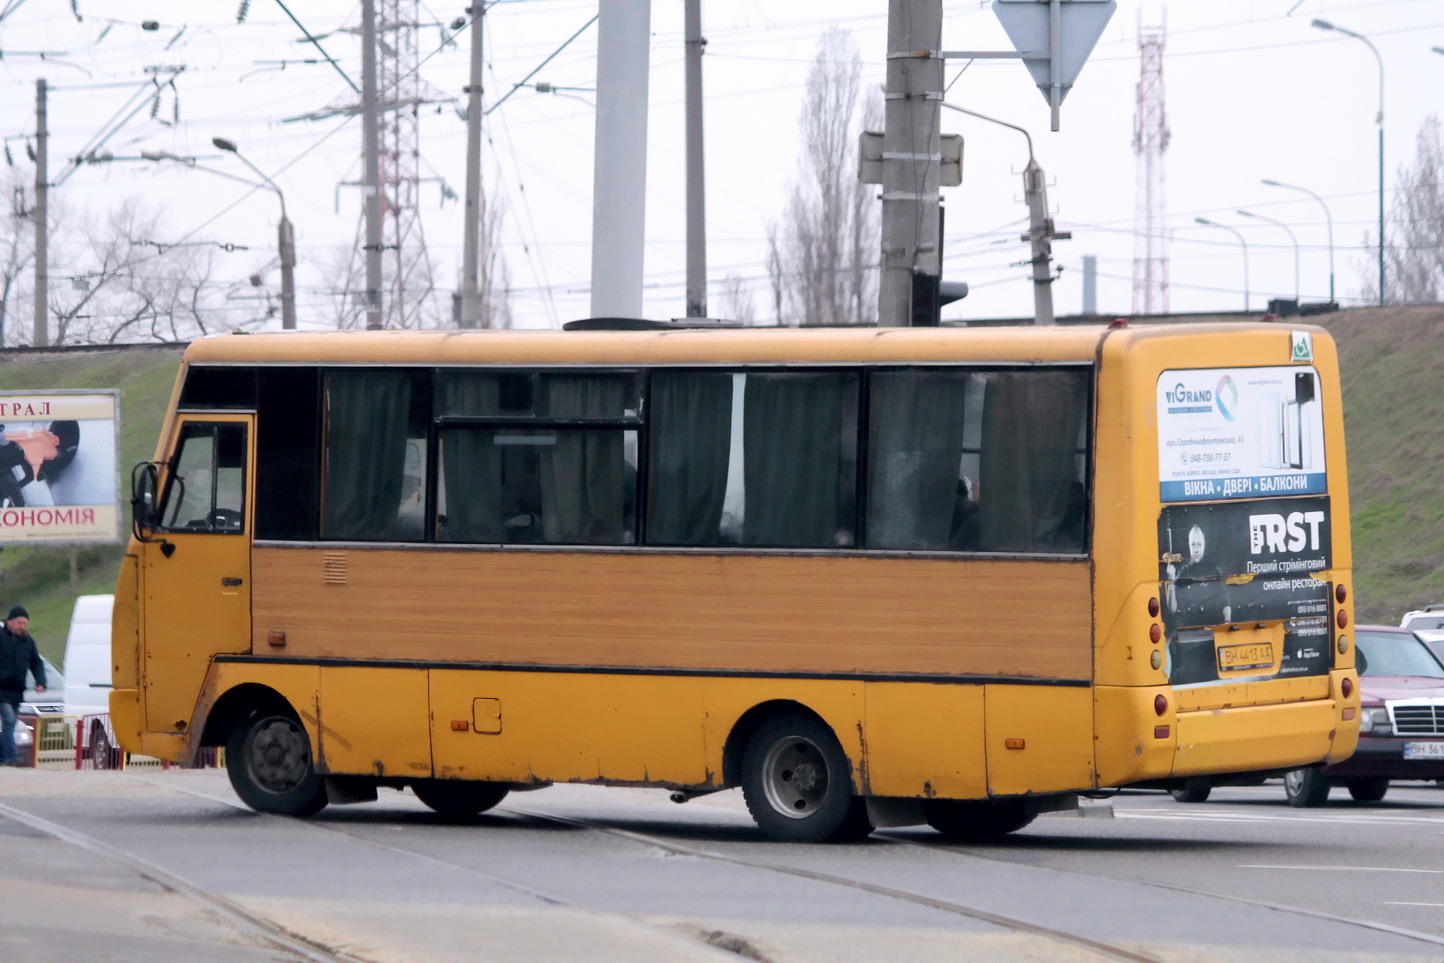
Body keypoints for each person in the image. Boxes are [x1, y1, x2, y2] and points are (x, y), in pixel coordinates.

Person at [1, 604, 46, 767]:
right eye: (19, 623)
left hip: (16, 690)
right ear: (10, 622)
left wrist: (41, 681)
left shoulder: (28, 642)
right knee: (9, 719)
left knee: (10, 724)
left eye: (25, 623)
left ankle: (3, 755)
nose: (22, 627)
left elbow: (36, 663)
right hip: (1, 689)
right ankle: (12, 756)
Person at [1165, 524, 1233, 626]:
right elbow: (1172, 609)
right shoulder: (1184, 571)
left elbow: (1225, 601)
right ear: (1189, 545)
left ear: (1204, 545)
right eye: (1193, 544)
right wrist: (1171, 581)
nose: (1196, 549)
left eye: (1199, 544)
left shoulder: (1213, 568)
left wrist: (1227, 620)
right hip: (1190, 628)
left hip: (1212, 625)